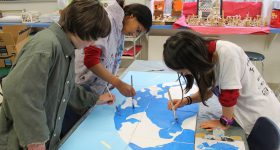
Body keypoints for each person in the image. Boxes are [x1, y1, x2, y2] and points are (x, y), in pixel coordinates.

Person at [0, 0, 115, 150]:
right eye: (93, 37)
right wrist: (36, 139)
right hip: (19, 143)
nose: (93, 43)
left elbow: (67, 88)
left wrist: (95, 99)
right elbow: (21, 93)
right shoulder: (46, 47)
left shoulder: (66, 48)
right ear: (84, 29)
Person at [163, 31, 280, 135]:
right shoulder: (204, 58)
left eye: (182, 70)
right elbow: (207, 92)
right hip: (243, 113)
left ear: (190, 60)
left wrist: (224, 122)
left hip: (260, 116)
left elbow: (230, 95)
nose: (183, 74)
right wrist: (186, 101)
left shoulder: (227, 53)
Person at [75, 0, 152, 97]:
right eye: (137, 29)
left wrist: (112, 80)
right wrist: (118, 83)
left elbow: (109, 59)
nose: (134, 34)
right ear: (132, 16)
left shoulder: (120, 29)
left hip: (97, 88)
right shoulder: (107, 22)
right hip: (84, 86)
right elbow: (90, 60)